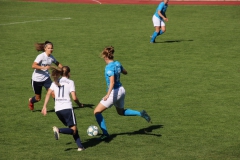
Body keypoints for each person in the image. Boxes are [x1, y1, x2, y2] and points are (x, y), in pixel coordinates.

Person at [94, 46, 151, 141]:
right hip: (121, 90)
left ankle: (105, 134)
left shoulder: (109, 67)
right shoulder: (117, 63)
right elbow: (125, 72)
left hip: (114, 92)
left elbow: (112, 82)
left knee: (97, 112)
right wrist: (120, 71)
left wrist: (108, 94)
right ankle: (140, 113)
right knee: (120, 112)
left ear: (105, 57)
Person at [41, 66, 85, 151]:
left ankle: (80, 147)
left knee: (73, 127)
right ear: (68, 73)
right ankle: (59, 130)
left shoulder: (55, 82)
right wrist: (80, 104)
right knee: (73, 129)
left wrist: (44, 107)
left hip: (58, 110)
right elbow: (74, 98)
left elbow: (48, 94)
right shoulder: (70, 82)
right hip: (67, 108)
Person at [28, 41, 63, 111]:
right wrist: (43, 67)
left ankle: (58, 107)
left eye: (52, 48)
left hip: (46, 79)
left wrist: (64, 69)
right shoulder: (41, 56)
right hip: (36, 80)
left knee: (53, 93)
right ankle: (31, 100)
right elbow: (33, 65)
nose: (51, 49)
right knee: (38, 99)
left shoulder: (51, 57)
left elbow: (58, 63)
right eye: (49, 48)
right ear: (45, 49)